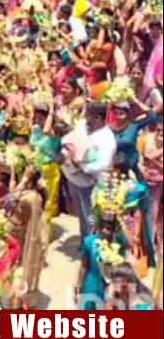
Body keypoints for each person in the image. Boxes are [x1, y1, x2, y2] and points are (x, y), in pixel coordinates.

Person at [62, 102, 117, 238]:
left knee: (90, 218)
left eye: (89, 115)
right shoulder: (82, 125)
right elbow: (68, 139)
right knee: (80, 214)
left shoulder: (107, 139)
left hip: (91, 184)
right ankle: (83, 241)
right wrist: (68, 150)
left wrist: (80, 165)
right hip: (73, 179)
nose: (85, 117)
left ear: (98, 118)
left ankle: (91, 246)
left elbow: (102, 164)